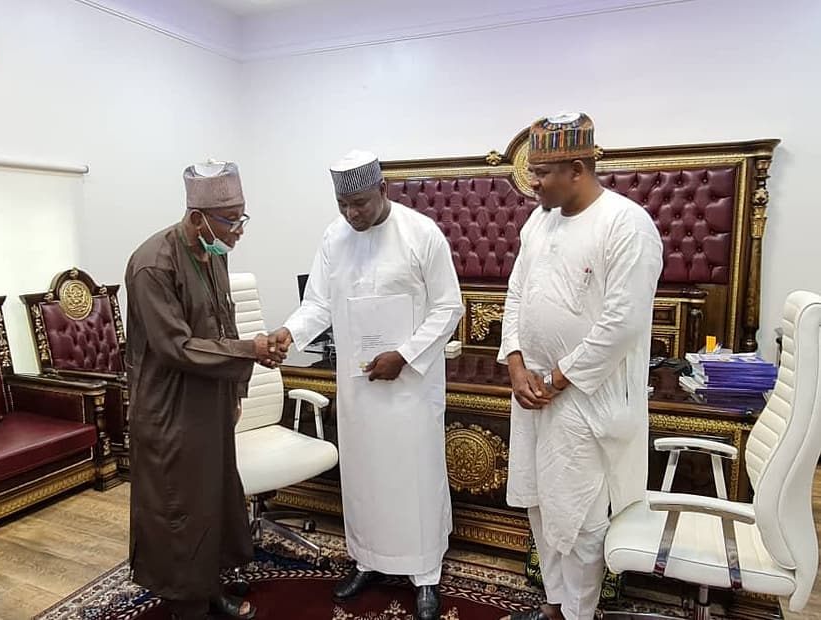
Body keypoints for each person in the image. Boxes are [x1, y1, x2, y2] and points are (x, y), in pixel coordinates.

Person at [268, 150, 464, 620]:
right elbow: (317, 303)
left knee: (415, 478)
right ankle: (368, 560)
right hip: (359, 386)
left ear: (383, 190)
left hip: (410, 389)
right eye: (343, 204)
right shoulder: (334, 239)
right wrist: (288, 333)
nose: (352, 214)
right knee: (364, 477)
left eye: (360, 203)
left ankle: (425, 574)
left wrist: (406, 355)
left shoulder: (421, 234)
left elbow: (448, 306)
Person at [497, 113, 663, 620]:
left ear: (576, 168)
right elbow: (517, 293)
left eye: (541, 173)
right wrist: (516, 365)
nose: (532, 184)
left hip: (587, 398)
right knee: (542, 508)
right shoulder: (538, 220)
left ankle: (578, 614)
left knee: (582, 518)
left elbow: (622, 323)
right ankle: (552, 607)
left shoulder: (626, 224)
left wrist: (558, 378)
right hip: (535, 392)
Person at [125, 161, 286, 620]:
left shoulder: (213, 250)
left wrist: (237, 389)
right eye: (230, 220)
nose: (238, 231)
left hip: (212, 399)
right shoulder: (152, 264)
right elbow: (176, 347)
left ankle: (210, 588)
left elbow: (224, 319)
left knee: (215, 499)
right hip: (169, 408)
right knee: (180, 509)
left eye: (242, 217)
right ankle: (186, 604)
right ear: (197, 217)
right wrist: (250, 351)